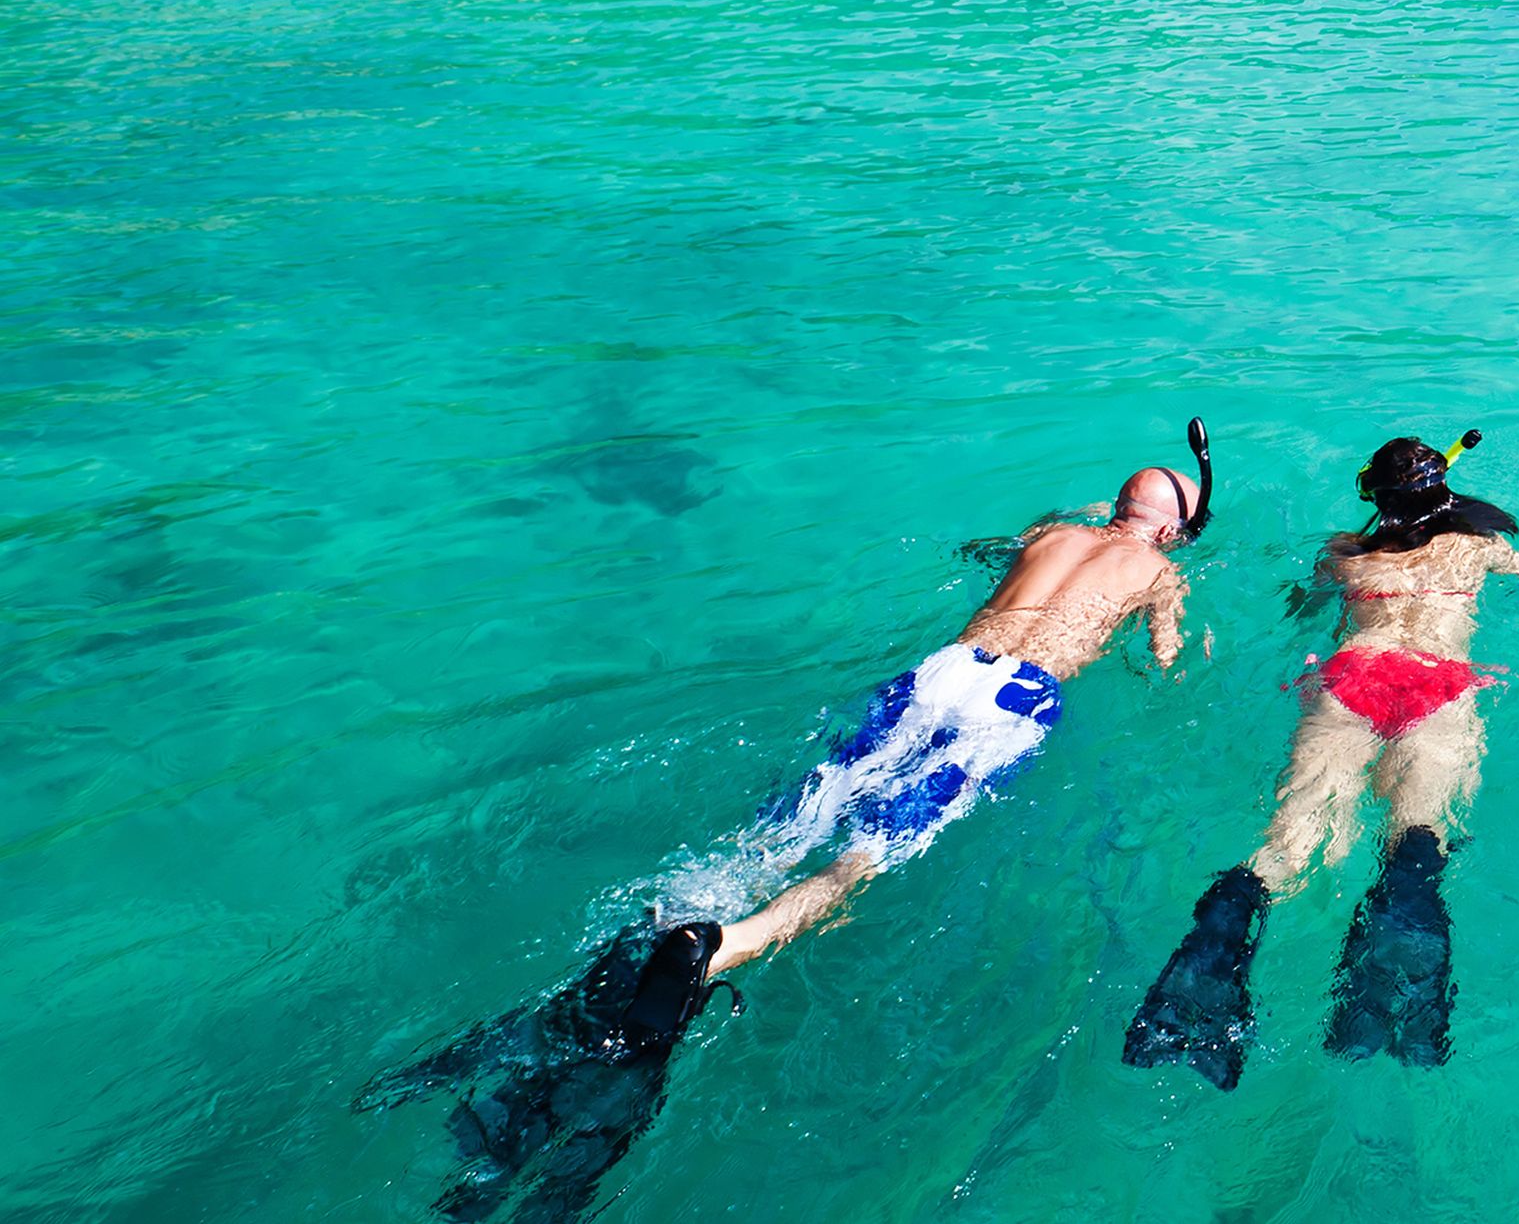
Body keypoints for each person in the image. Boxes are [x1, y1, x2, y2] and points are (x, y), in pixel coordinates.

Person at [360, 425, 1215, 1221]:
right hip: (1012, 701)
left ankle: (676, 910)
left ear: (1112, 507)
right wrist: (1184, 648)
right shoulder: (1160, 574)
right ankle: (718, 947)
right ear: (1171, 531)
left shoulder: (1048, 533)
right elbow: (1167, 667)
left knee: (797, 819)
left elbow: (990, 550)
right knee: (860, 861)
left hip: (943, 671)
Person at [1126, 432, 1519, 1085]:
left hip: (1351, 684)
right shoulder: (1475, 548)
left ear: (1372, 496)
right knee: (1417, 845)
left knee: (1291, 852)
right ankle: (1393, 974)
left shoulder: (1343, 555)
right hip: (1438, 688)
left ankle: (1218, 946)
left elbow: (1302, 609)